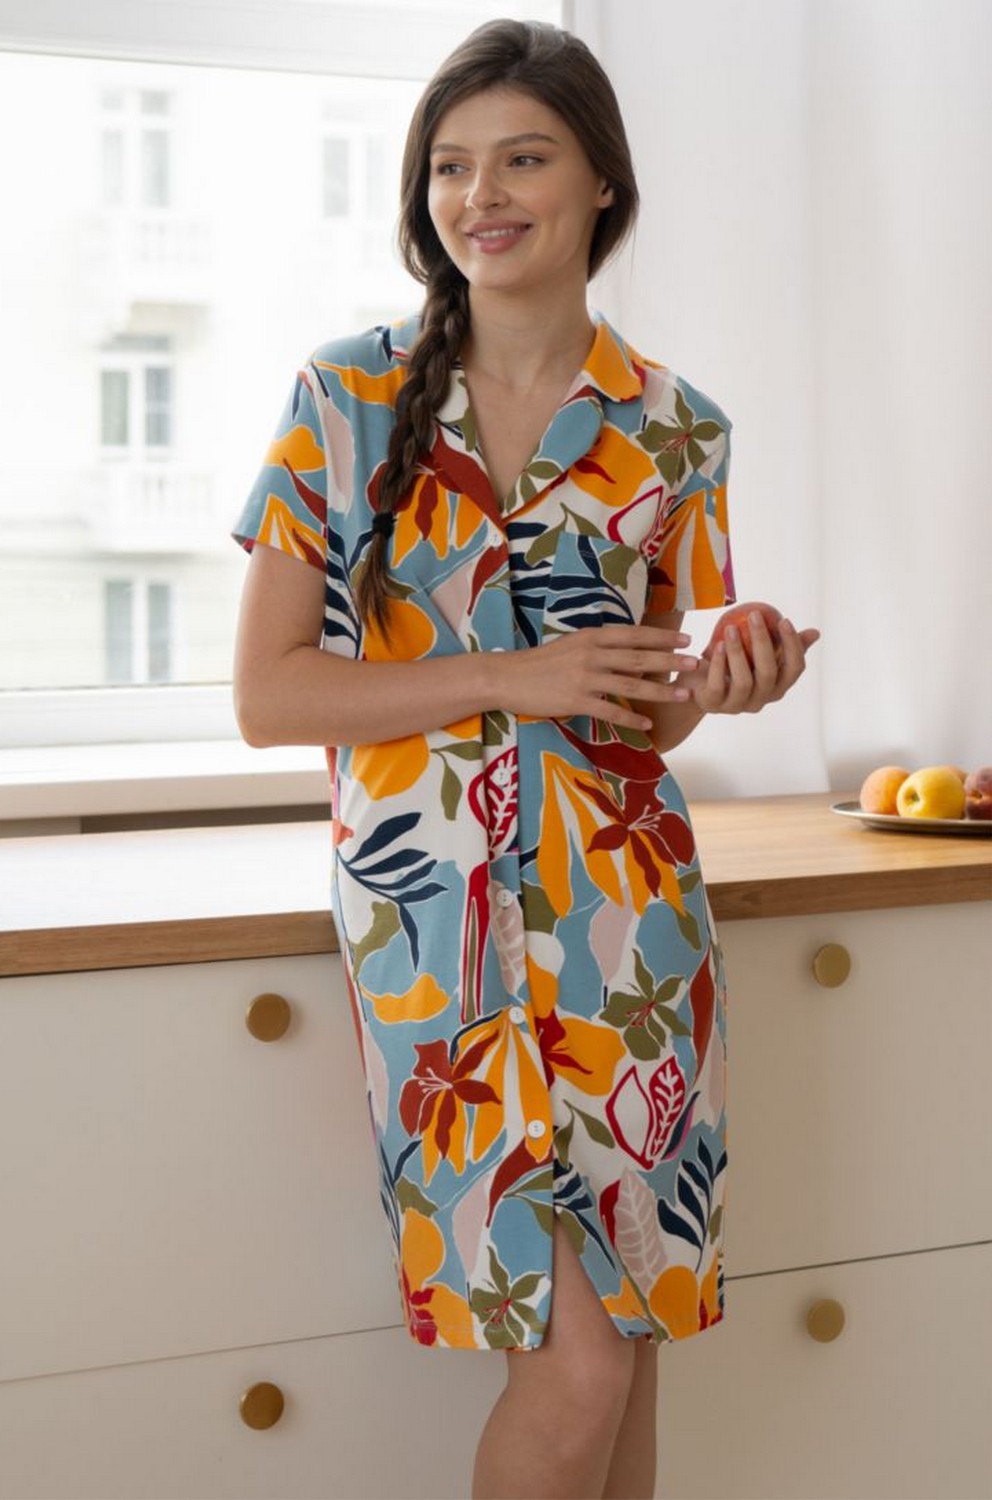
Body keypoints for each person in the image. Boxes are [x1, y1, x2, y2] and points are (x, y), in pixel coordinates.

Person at [232, 17, 819, 1500]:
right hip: (436, 935)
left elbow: (643, 708)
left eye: (521, 159)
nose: (478, 195)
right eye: (450, 166)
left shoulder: (677, 430)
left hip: (632, 932)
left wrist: (721, 687)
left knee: (629, 1352)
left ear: (601, 182)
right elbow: (269, 696)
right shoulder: (345, 400)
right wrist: (511, 673)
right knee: (579, 1368)